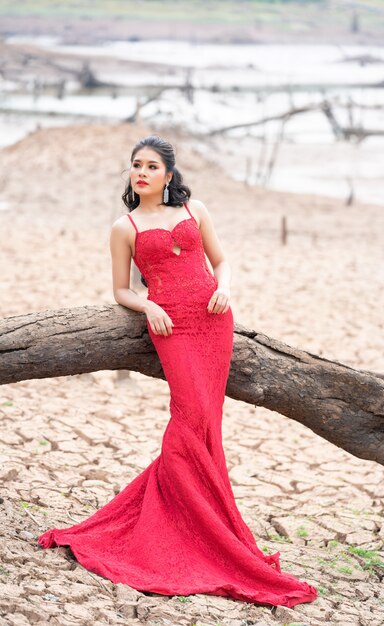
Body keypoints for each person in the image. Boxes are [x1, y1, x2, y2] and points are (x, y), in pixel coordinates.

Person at [37, 135, 318, 608]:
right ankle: (186, 525)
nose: (141, 173)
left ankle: (207, 521)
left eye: (151, 166)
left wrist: (225, 289)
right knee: (188, 418)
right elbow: (120, 290)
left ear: (169, 175)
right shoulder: (123, 226)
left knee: (208, 423)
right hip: (171, 325)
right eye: (135, 166)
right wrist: (148, 306)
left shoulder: (195, 211)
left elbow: (222, 260)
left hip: (214, 319)